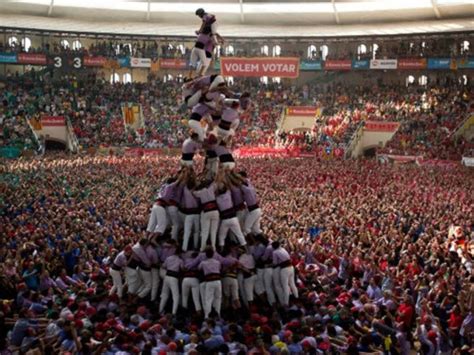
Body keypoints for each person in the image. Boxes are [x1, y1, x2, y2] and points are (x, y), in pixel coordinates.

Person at [193, 179, 219, 251]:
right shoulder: (211, 188)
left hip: (206, 212)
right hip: (215, 211)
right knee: (213, 231)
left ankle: (202, 248)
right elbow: (216, 183)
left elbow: (193, 192)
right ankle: (214, 248)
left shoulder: (200, 192)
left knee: (205, 231)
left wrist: (198, 186)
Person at [272, 241, 298, 307]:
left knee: (285, 286)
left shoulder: (275, 252)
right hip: (291, 267)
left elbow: (275, 263)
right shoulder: (283, 249)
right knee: (292, 284)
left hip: (284, 269)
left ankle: (286, 303)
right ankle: (297, 297)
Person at [199, 247, 223, 319]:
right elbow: (220, 268)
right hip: (218, 281)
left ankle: (207, 316)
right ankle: (218, 314)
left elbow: (199, 268)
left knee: (208, 299)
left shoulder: (203, 263)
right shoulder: (217, 262)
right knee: (218, 298)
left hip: (209, 281)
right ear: (213, 254)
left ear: (206, 255)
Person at [159, 248, 183, 315]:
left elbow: (163, 266)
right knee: (176, 296)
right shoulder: (180, 260)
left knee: (164, 295)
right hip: (174, 278)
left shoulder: (168, 258)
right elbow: (182, 268)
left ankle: (160, 310)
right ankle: (174, 313)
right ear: (180, 253)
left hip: (167, 276)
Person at [181, 175, 201, 252]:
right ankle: (195, 247)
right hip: (196, 213)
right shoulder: (197, 192)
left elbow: (185, 183)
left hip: (189, 214)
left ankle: (184, 248)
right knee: (196, 231)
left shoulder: (185, 191)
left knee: (187, 231)